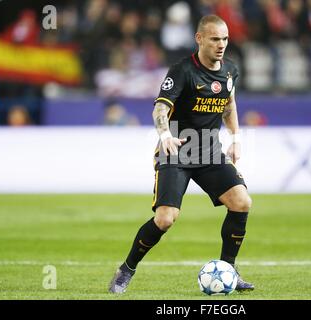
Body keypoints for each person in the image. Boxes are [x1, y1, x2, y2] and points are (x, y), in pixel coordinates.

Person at [109, 15, 254, 294]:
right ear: (199, 39)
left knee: (241, 201)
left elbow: (229, 104)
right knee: (165, 219)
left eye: (224, 39)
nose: (221, 45)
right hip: (175, 150)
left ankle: (229, 271)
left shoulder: (230, 70)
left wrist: (235, 138)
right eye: (214, 39)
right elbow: (160, 109)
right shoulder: (182, 70)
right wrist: (165, 135)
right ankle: (126, 270)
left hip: (209, 150)